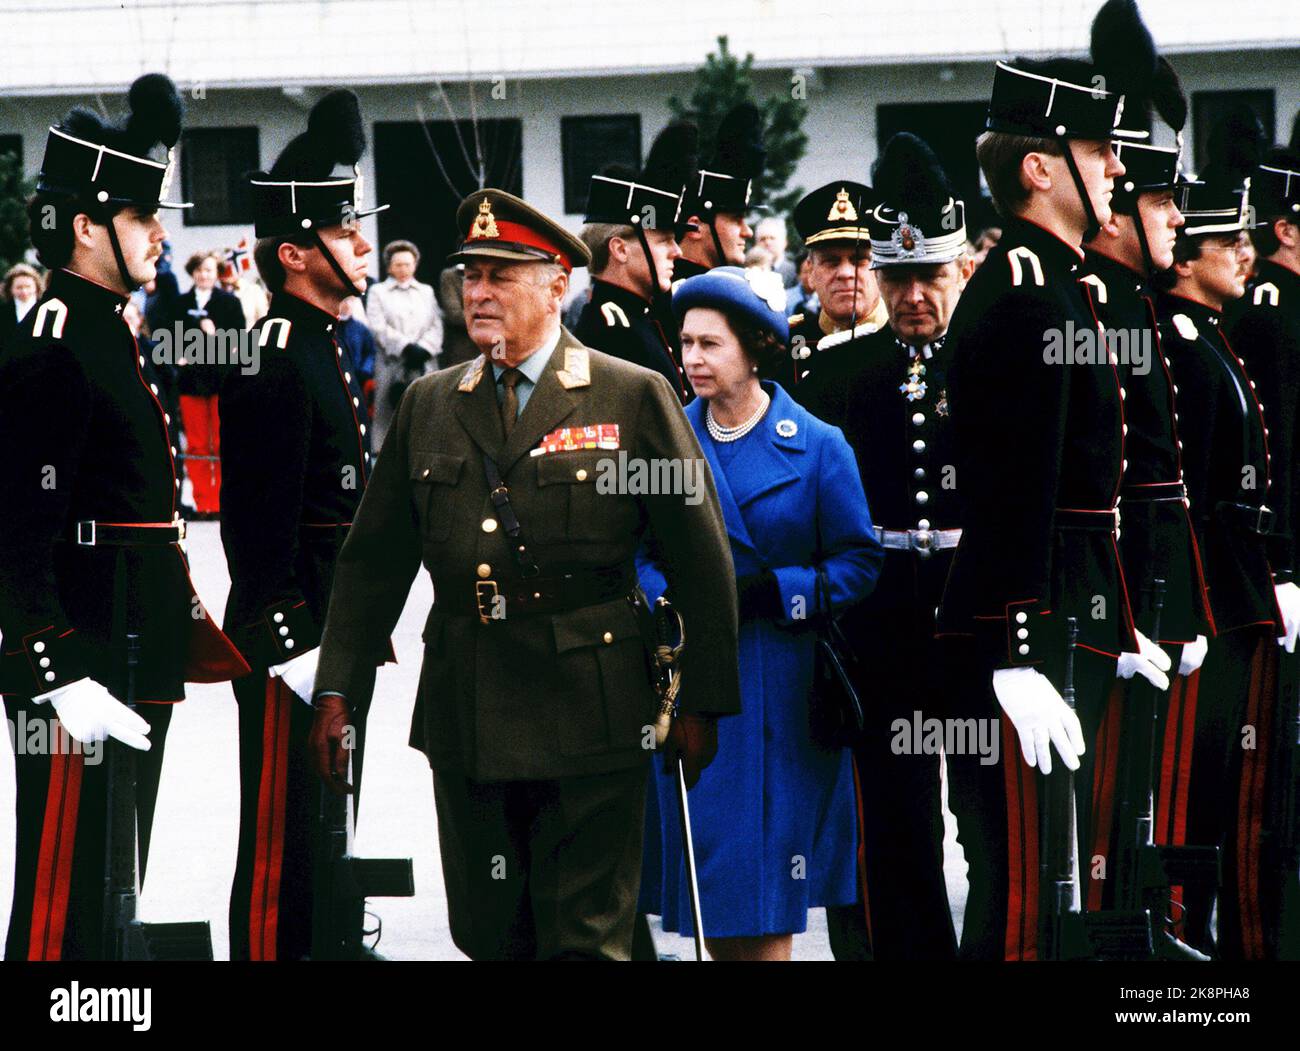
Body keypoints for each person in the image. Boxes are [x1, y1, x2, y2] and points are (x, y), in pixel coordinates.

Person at [309, 187, 741, 960]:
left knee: (586, 935)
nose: (477, 291)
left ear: (556, 283)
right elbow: (373, 563)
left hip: (594, 704)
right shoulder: (430, 404)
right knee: (487, 930)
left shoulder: (629, 394)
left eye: (500, 275)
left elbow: (700, 559)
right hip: (468, 704)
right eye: (470, 275)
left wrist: (704, 699)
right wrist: (339, 686)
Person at [936, 0, 1170, 960]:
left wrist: (1118, 621)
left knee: (1069, 878)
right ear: (1041, 168)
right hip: (1027, 618)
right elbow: (1012, 492)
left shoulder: (1064, 281)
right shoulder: (1027, 292)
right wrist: (1017, 649)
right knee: (1031, 889)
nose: (1117, 164)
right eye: (1097, 147)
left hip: (1070, 604)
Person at [0, 73, 247, 961]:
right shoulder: (58, 340)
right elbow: (17, 534)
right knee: (63, 896)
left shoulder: (110, 327)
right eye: (143, 219)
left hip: (131, 636)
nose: (160, 234)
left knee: (113, 887)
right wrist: (54, 669)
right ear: (86, 226)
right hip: (84, 650)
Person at [638, 265, 881, 960]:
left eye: (710, 344)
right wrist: (667, 601)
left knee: (763, 903)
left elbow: (860, 561)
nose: (691, 360)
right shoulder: (667, 438)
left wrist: (780, 590)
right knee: (715, 904)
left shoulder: (816, 443)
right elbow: (638, 546)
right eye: (685, 343)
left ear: (754, 349)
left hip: (779, 688)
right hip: (692, 685)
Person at [220, 89, 388, 961]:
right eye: (342, 228)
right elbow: (255, 527)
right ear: (295, 251)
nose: (363, 242)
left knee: (329, 819)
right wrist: (292, 644)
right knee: (283, 831)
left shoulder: (322, 340)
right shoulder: (277, 355)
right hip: (295, 634)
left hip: (334, 623)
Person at [796, 133, 972, 960]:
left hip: (975, 627)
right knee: (895, 833)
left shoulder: (992, 363)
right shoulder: (835, 377)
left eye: (928, 276)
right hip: (882, 635)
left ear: (960, 268)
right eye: (895, 277)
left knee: (994, 824)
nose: (911, 297)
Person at [1078, 59, 1217, 957]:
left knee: (1142, 827)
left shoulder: (1131, 303)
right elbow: (1100, 488)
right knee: (1104, 840)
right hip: (1113, 605)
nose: (1174, 219)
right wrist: (1129, 618)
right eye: (1161, 201)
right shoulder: (1096, 305)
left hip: (1153, 597)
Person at [1155, 148, 1294, 959]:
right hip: (1213, 602)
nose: (1247, 253)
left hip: (1243, 591)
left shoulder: (1207, 336)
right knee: (1208, 802)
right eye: (1227, 241)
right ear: (1188, 256)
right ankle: (1198, 961)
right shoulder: (1183, 344)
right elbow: (1194, 501)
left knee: (1245, 803)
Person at [1224, 140, 1300, 960]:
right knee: (1261, 792)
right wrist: (1281, 567)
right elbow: (1273, 460)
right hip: (1278, 574)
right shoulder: (1273, 309)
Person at [575, 121, 694, 402]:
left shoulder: (640, 318)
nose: (677, 251)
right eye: (664, 240)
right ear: (620, 250)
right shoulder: (611, 331)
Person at [780, 180, 887, 387]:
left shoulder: (905, 339)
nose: (846, 273)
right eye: (831, 261)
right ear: (810, 272)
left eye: (859, 260)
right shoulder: (788, 344)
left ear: (881, 269)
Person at [172, 250, 245, 519]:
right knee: (197, 443)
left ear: (217, 274)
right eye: (200, 270)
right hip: (191, 382)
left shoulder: (229, 302)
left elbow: (239, 341)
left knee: (222, 441)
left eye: (210, 271)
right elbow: (170, 338)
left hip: (221, 381)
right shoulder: (180, 303)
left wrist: (215, 334)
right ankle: (203, 502)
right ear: (192, 273)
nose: (204, 275)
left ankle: (221, 501)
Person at [674, 103, 764, 283]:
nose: (748, 232)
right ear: (695, 227)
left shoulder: (716, 289)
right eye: (736, 219)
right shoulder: (692, 297)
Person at [366, 238, 443, 450]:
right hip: (392, 364)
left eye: (408, 264)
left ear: (415, 265)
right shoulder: (378, 292)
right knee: (390, 414)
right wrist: (406, 347)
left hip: (423, 364)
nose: (403, 269)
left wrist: (424, 349)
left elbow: (436, 324)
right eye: (398, 264)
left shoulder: (426, 291)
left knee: (426, 410)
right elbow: (376, 325)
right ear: (389, 266)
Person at [0, 262, 42, 353]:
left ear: (36, 287)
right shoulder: (3, 313)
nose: (24, 291)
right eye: (19, 287)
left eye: (28, 286)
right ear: (10, 289)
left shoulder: (45, 310)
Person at [754, 215, 797, 286]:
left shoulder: (795, 272)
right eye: (762, 239)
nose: (767, 243)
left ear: (784, 243)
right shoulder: (750, 272)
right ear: (756, 244)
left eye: (772, 238)